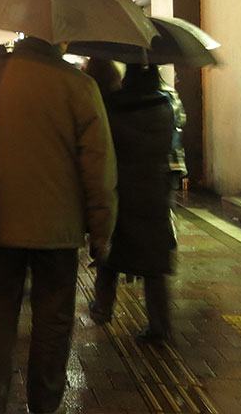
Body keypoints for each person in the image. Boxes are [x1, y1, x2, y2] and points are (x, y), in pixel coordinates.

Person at [0, 36, 117, 414]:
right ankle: (43, 400)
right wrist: (102, 226)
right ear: (60, 38)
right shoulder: (80, 85)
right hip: (59, 224)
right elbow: (98, 164)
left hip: (0, 217)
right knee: (53, 316)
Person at [88, 62, 178, 344]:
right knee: (154, 267)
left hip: (121, 189)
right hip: (154, 192)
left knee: (110, 257)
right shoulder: (165, 108)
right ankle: (160, 326)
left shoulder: (114, 108)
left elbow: (105, 146)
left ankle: (102, 308)